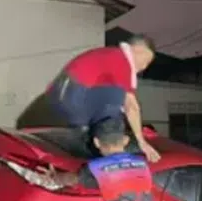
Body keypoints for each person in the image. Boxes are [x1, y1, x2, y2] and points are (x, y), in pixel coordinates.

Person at [46, 34, 161, 162]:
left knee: (113, 96)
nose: (144, 67)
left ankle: (86, 135)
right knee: (117, 100)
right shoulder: (122, 60)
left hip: (61, 95)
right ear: (137, 50)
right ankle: (113, 151)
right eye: (146, 62)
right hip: (74, 93)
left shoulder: (109, 56)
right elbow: (131, 106)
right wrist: (142, 142)